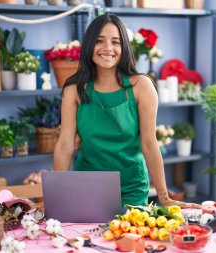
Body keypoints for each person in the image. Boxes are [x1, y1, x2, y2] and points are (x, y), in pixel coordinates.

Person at [53, 13, 201, 209]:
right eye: (99, 41)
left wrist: (164, 197)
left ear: (124, 48)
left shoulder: (142, 86)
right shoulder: (73, 89)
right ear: (89, 45)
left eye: (116, 42)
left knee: (128, 238)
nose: (108, 48)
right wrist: (55, 195)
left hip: (132, 188)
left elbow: (149, 144)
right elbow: (65, 145)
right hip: (87, 186)